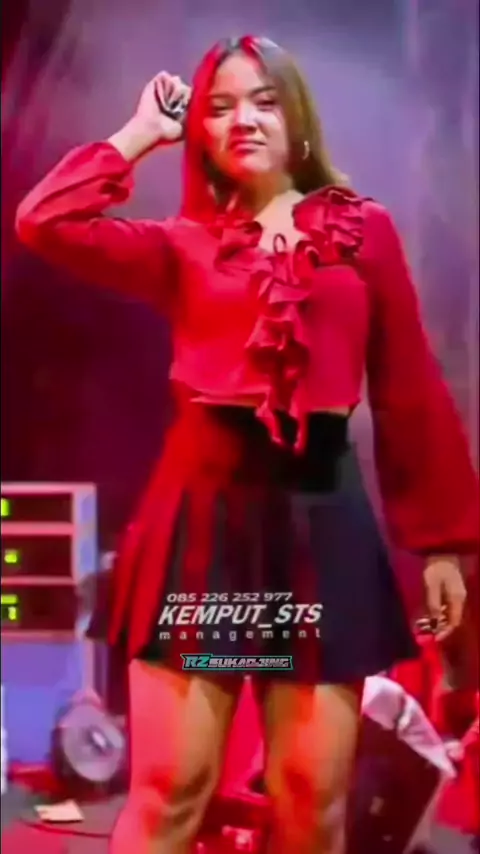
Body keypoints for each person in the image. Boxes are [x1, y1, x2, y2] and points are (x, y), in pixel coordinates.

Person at [15, 34, 478, 854]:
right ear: (200, 133)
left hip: (323, 525)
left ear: (297, 119)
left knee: (311, 799)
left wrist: (442, 543)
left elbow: (408, 388)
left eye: (264, 101)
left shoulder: (362, 232)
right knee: (174, 792)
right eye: (220, 107)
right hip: (203, 526)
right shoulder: (180, 244)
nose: (244, 120)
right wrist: (138, 135)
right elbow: (43, 222)